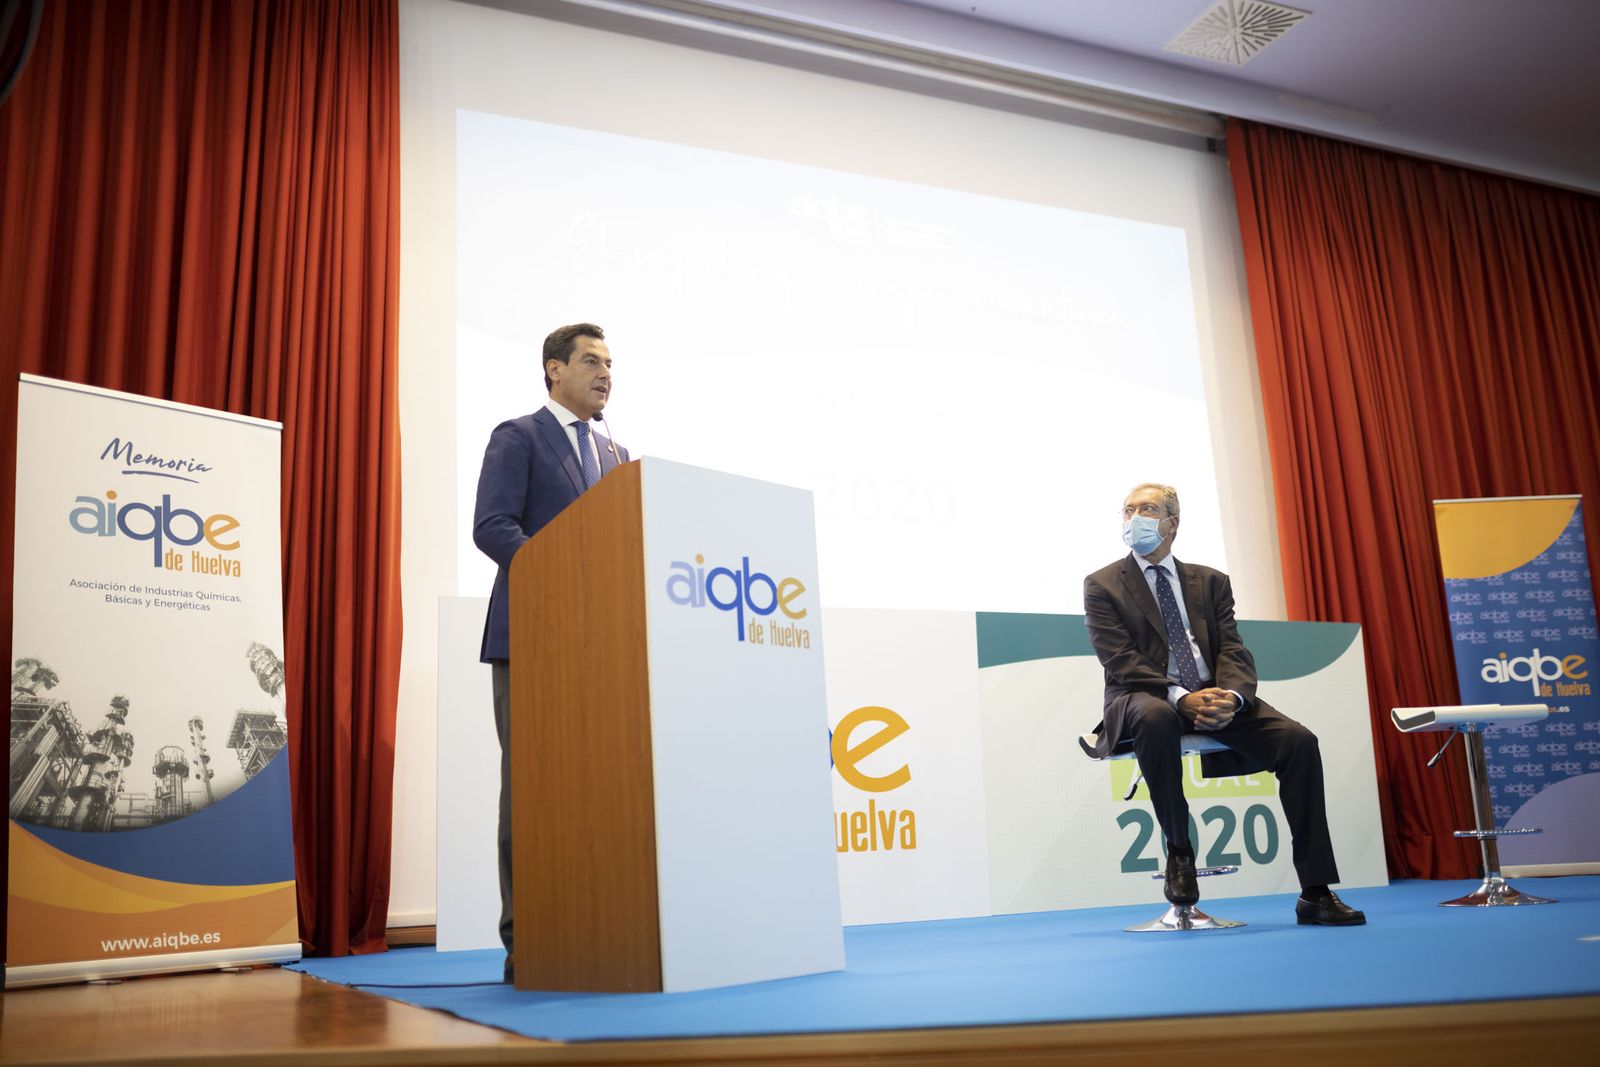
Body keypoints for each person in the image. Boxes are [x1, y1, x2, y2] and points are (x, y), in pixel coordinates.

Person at [1082, 482, 1365, 926]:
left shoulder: (1210, 581)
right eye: (1128, 509)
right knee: (1157, 717)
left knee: (1299, 741)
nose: (1134, 517)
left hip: (1213, 694)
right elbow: (1120, 660)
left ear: (1172, 523)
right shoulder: (1102, 584)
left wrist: (1230, 698)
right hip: (1143, 695)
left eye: (1148, 508)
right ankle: (1179, 852)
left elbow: (1232, 648)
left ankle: (1315, 890)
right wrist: (1181, 697)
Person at [473, 322, 630, 980]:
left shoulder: (619, 456)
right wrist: (561, 575)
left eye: (610, 363)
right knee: (532, 791)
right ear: (553, 369)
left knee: (599, 791)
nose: (605, 373)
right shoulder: (519, 436)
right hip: (534, 641)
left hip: (604, 648)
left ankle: (596, 924)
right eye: (590, 360)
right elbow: (493, 526)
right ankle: (527, 938)